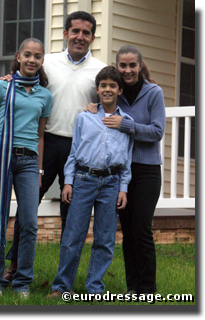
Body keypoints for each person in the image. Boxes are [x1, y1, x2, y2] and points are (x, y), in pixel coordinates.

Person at [4, 11, 106, 281]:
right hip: (44, 144)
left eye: (86, 33)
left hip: (80, 149)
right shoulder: (46, 61)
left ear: (93, 37)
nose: (80, 37)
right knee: (27, 207)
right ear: (65, 34)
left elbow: (111, 102)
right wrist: (8, 79)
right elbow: (21, 75)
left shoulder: (100, 69)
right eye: (75, 31)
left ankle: (63, 279)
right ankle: (14, 266)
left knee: (72, 216)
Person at [87, 45, 166, 295]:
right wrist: (91, 108)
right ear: (118, 67)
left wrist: (127, 124)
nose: (128, 70)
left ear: (141, 66)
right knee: (128, 231)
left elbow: (157, 131)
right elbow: (98, 105)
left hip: (147, 171)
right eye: (123, 65)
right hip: (120, 172)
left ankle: (148, 289)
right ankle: (133, 288)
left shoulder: (154, 92)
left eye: (133, 65)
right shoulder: (116, 91)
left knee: (142, 229)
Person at [0, 38, 52, 299]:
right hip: (0, 155)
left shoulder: (45, 95)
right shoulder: (2, 86)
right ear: (18, 56)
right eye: (27, 55)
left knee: (30, 223)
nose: (32, 60)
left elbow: (41, 136)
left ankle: (22, 282)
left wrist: (40, 170)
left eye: (37, 56)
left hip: (29, 161)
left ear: (42, 61)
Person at [49, 66, 134, 298]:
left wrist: (123, 188)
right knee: (72, 236)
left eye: (112, 86)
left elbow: (126, 160)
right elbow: (74, 153)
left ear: (119, 90)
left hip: (111, 183)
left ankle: (94, 288)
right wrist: (68, 182)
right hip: (83, 180)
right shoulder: (84, 118)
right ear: (97, 89)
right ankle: (61, 287)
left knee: (105, 239)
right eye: (103, 85)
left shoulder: (126, 122)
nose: (107, 89)